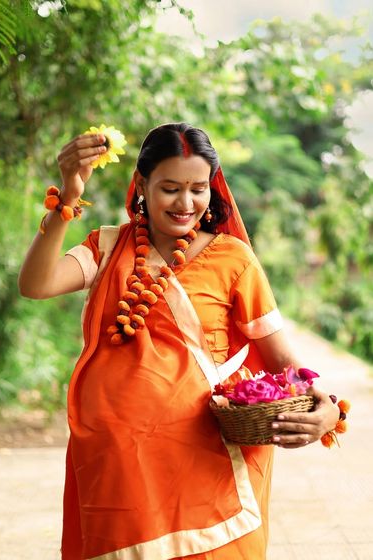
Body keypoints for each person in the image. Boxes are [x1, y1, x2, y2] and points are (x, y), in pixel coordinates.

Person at [19, 122, 340, 560]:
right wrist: (68, 198)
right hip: (121, 468)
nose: (186, 203)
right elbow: (36, 284)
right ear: (142, 185)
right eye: (170, 188)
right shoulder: (108, 247)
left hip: (207, 465)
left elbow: (285, 361)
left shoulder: (232, 257)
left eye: (198, 188)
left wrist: (328, 409)